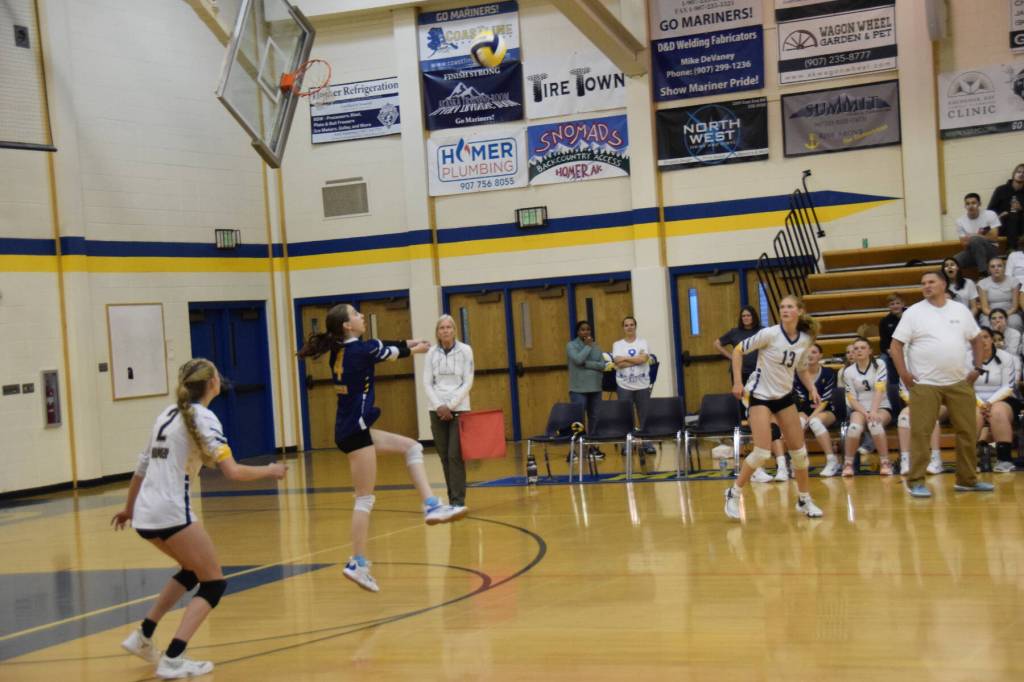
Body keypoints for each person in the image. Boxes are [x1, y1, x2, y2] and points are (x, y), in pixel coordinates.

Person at [111, 358, 288, 679]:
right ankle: (173, 658)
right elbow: (233, 472)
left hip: (145, 514)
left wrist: (128, 508)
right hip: (170, 512)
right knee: (214, 583)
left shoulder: (166, 414)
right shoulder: (204, 418)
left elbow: (141, 468)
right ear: (212, 384)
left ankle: (143, 636)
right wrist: (270, 470)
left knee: (192, 571)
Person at [297, 303, 465, 593]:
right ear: (347, 325)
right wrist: (416, 349)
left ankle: (431, 505)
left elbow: (386, 345)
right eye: (356, 314)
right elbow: (392, 351)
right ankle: (357, 563)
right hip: (355, 431)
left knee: (412, 447)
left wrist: (411, 343)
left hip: (351, 427)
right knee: (364, 499)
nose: (361, 316)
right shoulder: (362, 351)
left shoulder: (342, 350)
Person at [890, 271, 994, 498]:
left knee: (968, 431)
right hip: (925, 384)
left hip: (959, 382)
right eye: (923, 283)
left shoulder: (960, 310)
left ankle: (967, 480)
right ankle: (916, 481)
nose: (926, 286)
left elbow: (977, 339)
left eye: (931, 282)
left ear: (944, 284)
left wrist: (977, 368)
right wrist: (903, 373)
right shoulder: (913, 312)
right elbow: (895, 346)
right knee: (921, 432)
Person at [724, 295, 824, 520]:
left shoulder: (805, 339)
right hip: (759, 395)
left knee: (799, 453)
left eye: (790, 306)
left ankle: (804, 499)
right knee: (761, 451)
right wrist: (737, 382)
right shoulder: (769, 334)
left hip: (784, 396)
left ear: (799, 311)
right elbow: (738, 351)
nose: (785, 310)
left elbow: (801, 368)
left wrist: (812, 388)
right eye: (782, 307)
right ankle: (733, 492)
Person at [423, 314, 474, 512]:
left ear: (454, 330)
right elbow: (427, 382)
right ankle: (451, 498)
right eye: (441, 328)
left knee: (455, 455)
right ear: (437, 332)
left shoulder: (465, 350)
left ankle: (459, 501)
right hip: (436, 410)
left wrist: (450, 406)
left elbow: (468, 381)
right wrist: (439, 406)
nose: (445, 331)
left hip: (459, 408)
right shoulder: (431, 353)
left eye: (448, 327)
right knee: (444, 455)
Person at [841, 337, 894, 476]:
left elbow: (879, 389)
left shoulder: (879, 364)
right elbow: (851, 398)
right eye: (856, 348)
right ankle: (848, 464)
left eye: (863, 348)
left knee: (874, 424)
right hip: (860, 409)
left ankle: (885, 462)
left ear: (870, 351)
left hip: (881, 406)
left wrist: (873, 411)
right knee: (854, 428)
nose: (859, 351)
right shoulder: (848, 371)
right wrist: (865, 413)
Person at [971, 327, 1018, 473]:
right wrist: (981, 403)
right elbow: (965, 386)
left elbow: (1008, 387)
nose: (982, 341)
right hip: (974, 399)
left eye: (985, 337)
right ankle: (968, 461)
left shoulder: (1006, 357)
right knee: (974, 414)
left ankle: (1004, 460)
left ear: (992, 339)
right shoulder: (966, 358)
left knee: (997, 412)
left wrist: (989, 403)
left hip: (1003, 398)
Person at [793, 343, 840, 477]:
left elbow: (825, 400)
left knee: (815, 422)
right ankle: (801, 463)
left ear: (820, 355)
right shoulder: (797, 374)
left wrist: (811, 417)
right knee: (798, 423)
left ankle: (832, 461)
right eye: (807, 352)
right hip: (804, 409)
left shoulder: (829, 373)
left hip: (826, 411)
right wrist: (806, 418)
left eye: (814, 352)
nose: (810, 355)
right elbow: (801, 399)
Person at [612, 316, 655, 456]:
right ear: (623, 328)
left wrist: (625, 358)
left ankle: (647, 443)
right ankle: (627, 445)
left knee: (645, 415)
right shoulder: (617, 344)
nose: (629, 327)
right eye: (626, 325)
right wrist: (636, 360)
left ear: (635, 326)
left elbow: (643, 359)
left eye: (631, 324)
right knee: (626, 416)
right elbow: (617, 363)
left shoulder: (643, 342)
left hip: (642, 385)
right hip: (624, 385)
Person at [567, 319, 606, 458]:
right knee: (578, 419)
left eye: (588, 329)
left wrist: (587, 364)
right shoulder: (571, 345)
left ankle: (592, 448)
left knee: (595, 417)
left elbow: (602, 365)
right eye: (582, 329)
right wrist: (588, 347)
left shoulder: (596, 346)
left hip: (595, 387)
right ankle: (576, 450)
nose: (586, 332)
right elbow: (578, 360)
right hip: (578, 389)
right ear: (578, 332)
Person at [953, 192, 1001, 276]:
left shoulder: (990, 214)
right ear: (965, 206)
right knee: (951, 262)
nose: (970, 206)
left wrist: (974, 236)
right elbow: (964, 244)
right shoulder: (960, 221)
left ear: (979, 204)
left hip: (991, 249)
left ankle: (983, 272)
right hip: (972, 251)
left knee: (975, 240)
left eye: (973, 203)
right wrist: (982, 236)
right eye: (967, 204)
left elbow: (994, 237)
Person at [714, 305, 763, 387]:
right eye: (743, 316)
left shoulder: (762, 331)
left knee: (758, 395)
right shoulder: (734, 332)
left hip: (758, 371)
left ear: (753, 317)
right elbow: (717, 344)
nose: (745, 318)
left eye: (748, 315)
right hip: (739, 372)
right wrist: (731, 357)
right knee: (741, 394)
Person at [977, 256, 1022, 329]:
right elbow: (985, 308)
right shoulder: (982, 283)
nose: (996, 268)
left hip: (1010, 313)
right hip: (989, 313)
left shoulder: (1014, 281)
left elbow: (1014, 307)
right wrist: (996, 317)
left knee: (1015, 323)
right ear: (989, 270)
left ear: (1004, 268)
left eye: (999, 266)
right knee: (986, 324)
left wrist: (1003, 316)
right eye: (992, 266)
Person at [988, 163, 1024, 252]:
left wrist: (1021, 209)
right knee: (1012, 216)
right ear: (1013, 174)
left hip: (1021, 226)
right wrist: (1000, 215)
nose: (1021, 174)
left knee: (1015, 215)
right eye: (1019, 172)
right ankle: (1012, 250)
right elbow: (989, 211)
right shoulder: (1001, 190)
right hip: (1003, 225)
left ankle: (1013, 250)